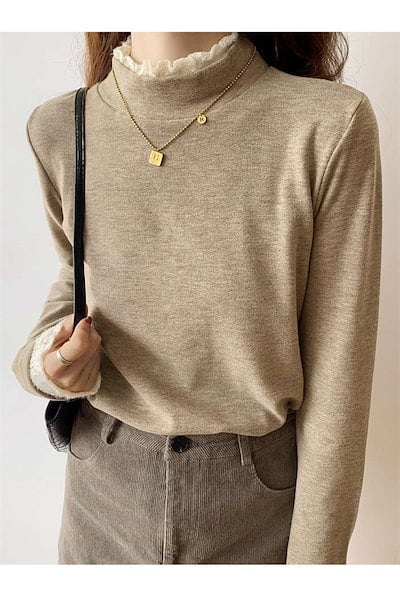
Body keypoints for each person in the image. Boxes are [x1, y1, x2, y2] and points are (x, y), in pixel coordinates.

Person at [11, 32, 382, 564]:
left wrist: (315, 566)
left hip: (255, 509)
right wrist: (47, 364)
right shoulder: (59, 126)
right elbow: (77, 276)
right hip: (98, 496)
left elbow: (339, 377)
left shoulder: (327, 124)